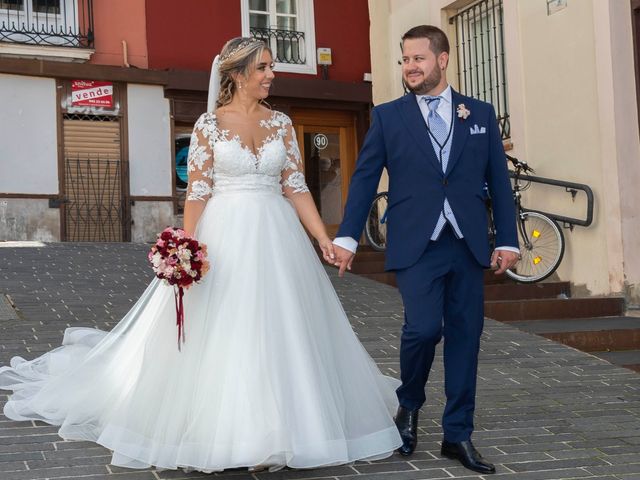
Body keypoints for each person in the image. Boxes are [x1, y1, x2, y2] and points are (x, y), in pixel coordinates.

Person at [0, 37, 402, 472]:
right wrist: (184, 248)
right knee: (228, 327)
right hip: (225, 236)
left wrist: (322, 237)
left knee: (280, 325)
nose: (271, 74)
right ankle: (228, 430)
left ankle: (281, 428)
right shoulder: (209, 125)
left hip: (277, 237)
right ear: (237, 73)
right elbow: (198, 190)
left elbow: (295, 185)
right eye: (263, 66)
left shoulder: (282, 123)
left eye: (271, 66)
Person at [332, 25, 519, 475]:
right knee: (421, 329)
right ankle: (409, 405)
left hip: (469, 243)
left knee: (465, 337)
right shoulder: (388, 116)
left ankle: (458, 435)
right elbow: (363, 178)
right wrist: (346, 236)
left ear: (442, 59)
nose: (410, 67)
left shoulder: (479, 113)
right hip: (417, 241)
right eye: (404, 59)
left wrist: (509, 238)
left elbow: (498, 180)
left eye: (418, 58)